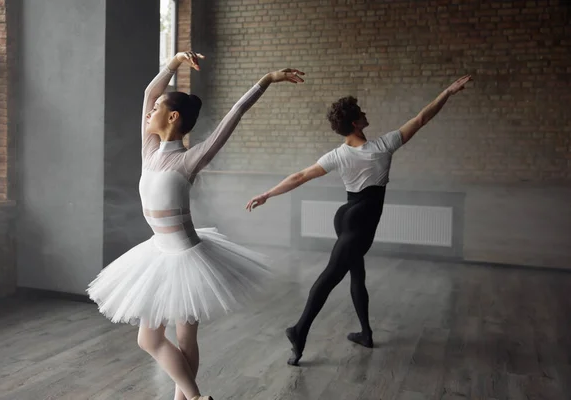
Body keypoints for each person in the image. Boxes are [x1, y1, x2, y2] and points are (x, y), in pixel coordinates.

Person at [87, 50, 305, 399]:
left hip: (186, 258)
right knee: (154, 340)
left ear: (172, 117)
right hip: (157, 255)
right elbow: (147, 94)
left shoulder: (189, 159)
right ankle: (194, 398)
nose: (148, 113)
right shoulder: (150, 149)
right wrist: (173, 64)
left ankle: (192, 398)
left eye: (156, 110)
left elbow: (233, 116)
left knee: (172, 340)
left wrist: (265, 81)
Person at [246, 75, 472, 366]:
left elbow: (299, 176)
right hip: (361, 221)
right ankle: (299, 330)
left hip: (346, 216)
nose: (366, 114)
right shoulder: (383, 146)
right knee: (331, 275)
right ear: (355, 123)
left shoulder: (338, 155)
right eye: (361, 113)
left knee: (356, 273)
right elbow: (421, 118)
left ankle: (365, 333)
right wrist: (447, 91)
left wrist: (267, 194)